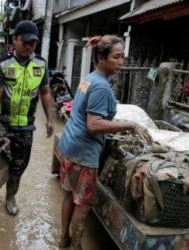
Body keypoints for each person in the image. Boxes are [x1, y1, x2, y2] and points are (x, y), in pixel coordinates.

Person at [58, 35, 153, 250]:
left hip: (69, 143)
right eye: (116, 57)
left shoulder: (89, 78)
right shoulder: (101, 87)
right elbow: (93, 125)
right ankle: (76, 246)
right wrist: (130, 125)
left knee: (69, 194)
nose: (121, 62)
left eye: (123, 57)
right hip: (84, 151)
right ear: (102, 58)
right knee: (83, 203)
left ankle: (63, 238)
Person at [0, 20, 54, 216]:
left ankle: (10, 197)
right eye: (26, 42)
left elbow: (46, 93)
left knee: (18, 166)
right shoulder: (3, 64)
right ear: (15, 39)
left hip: (25, 128)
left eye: (33, 43)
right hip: (2, 126)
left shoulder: (41, 64)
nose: (30, 46)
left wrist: (49, 119)